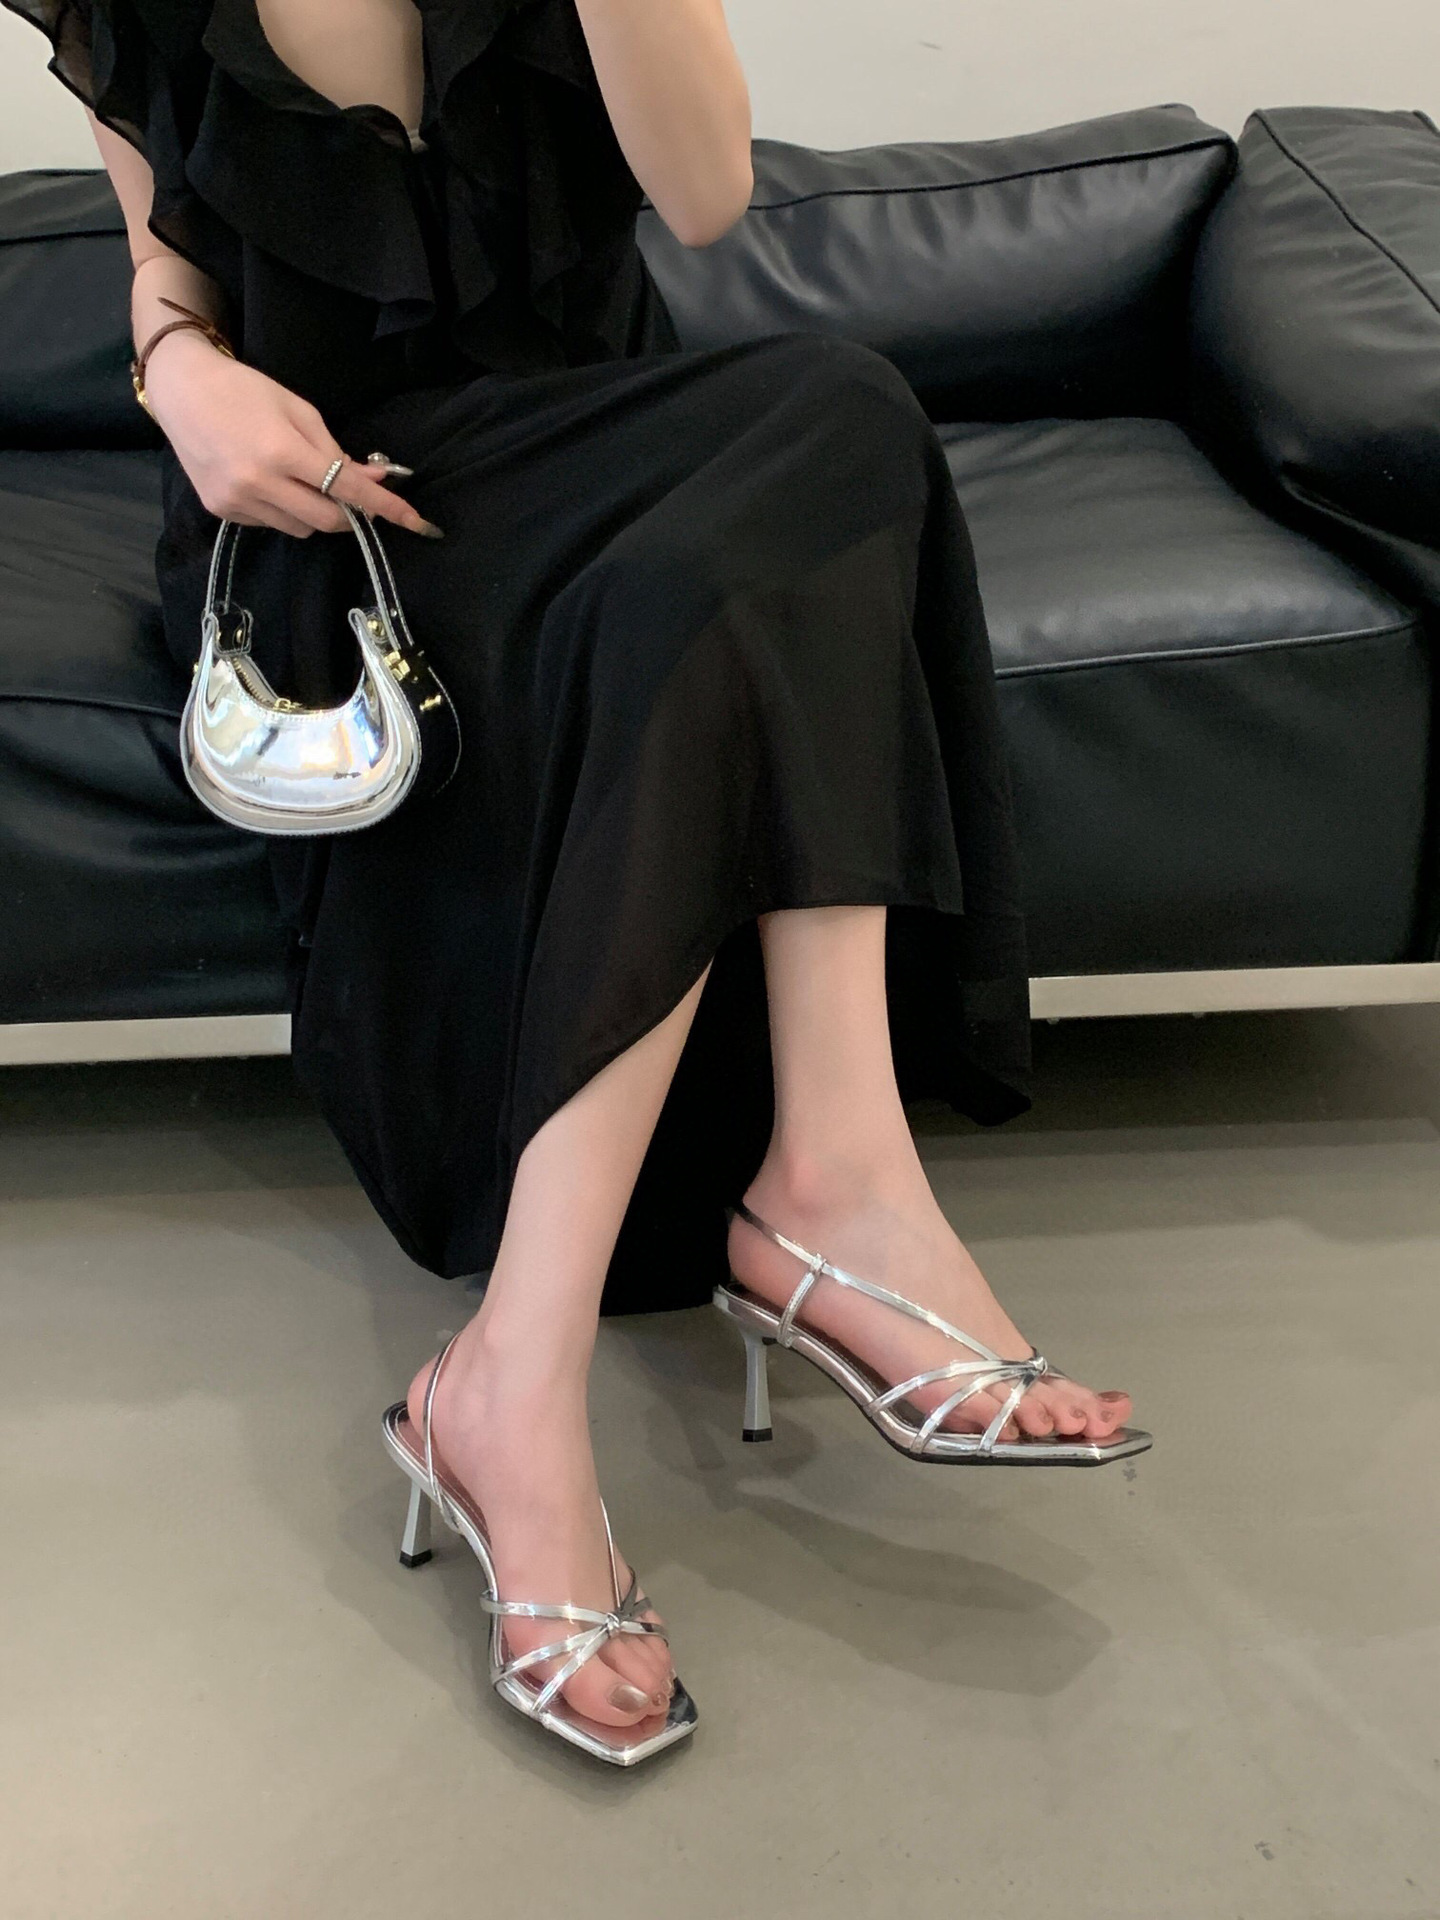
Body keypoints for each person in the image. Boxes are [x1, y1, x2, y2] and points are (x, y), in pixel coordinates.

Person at [8, 0, 1145, 1766]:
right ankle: (560, 1364)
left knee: (838, 414)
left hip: (600, 469)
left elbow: (705, 195)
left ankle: (773, 1216)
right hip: (344, 520)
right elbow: (172, 267)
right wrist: (184, 385)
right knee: (712, 566)